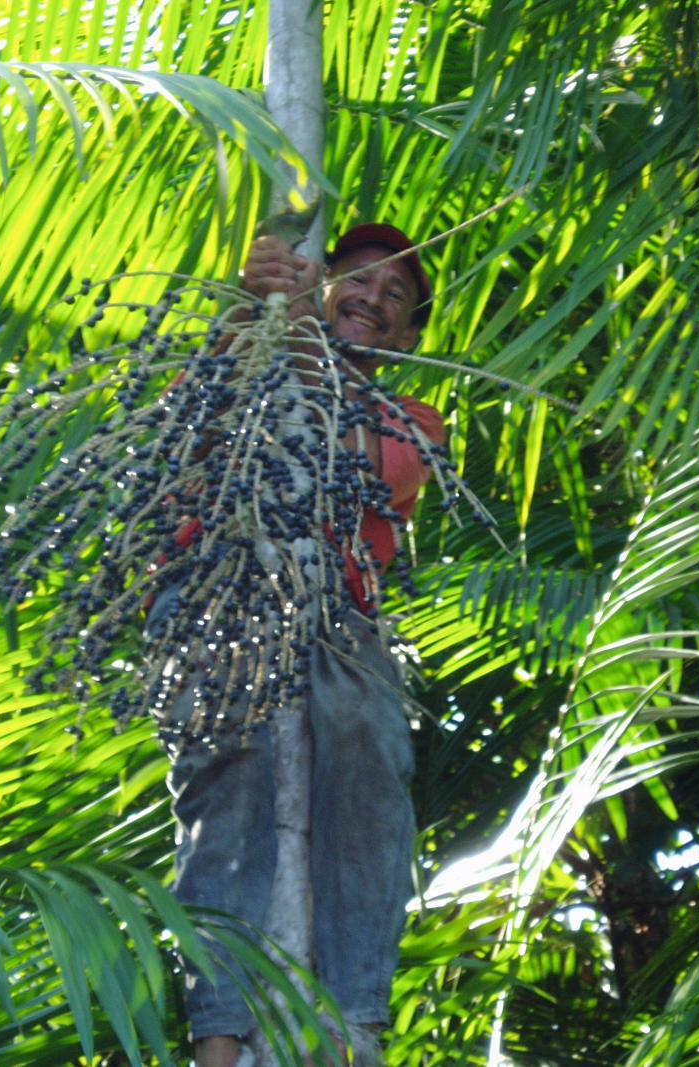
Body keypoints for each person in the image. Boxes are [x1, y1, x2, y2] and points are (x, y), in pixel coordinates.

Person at [155, 224, 444, 1067]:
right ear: (321, 289)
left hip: (337, 609)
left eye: (395, 297)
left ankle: (355, 1022)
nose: (371, 298)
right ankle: (217, 1033)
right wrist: (251, 314)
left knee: (369, 745)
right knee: (229, 773)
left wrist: (316, 372)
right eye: (356, 280)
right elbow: (184, 441)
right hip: (220, 586)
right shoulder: (241, 355)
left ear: (408, 337)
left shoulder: (413, 418)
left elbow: (368, 482)